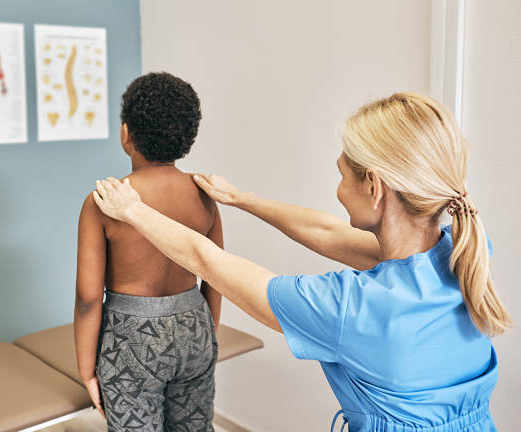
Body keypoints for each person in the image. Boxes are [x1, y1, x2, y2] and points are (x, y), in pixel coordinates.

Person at [92, 92, 512, 431]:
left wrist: (133, 210)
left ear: (374, 187)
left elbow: (208, 260)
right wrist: (243, 199)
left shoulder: (352, 308)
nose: (338, 188)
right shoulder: (463, 247)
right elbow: (330, 233)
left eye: (343, 174)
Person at [75, 72, 222, 432]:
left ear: (126, 134)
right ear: (187, 136)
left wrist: (86, 369)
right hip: (194, 322)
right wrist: (206, 338)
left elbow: (88, 298)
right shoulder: (204, 194)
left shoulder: (104, 202)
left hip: (131, 339)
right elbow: (217, 276)